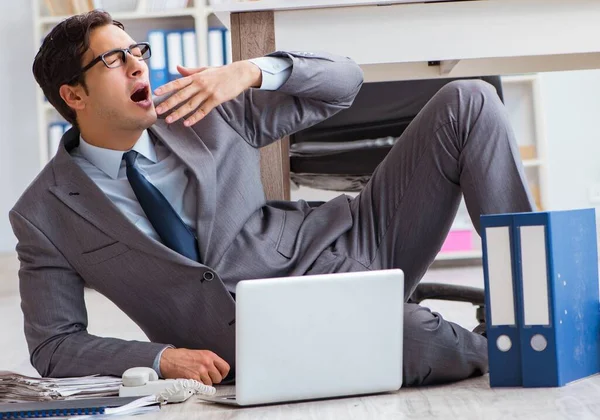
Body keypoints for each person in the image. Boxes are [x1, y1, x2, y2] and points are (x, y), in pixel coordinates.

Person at [10, 10, 534, 387]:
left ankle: (535, 305)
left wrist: (250, 70)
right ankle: (505, 347)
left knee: (470, 100)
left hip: (355, 237)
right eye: (112, 60)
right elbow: (55, 345)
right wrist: (162, 357)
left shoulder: (205, 108)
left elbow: (344, 83)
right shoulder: (44, 214)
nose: (138, 66)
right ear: (73, 96)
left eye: (136, 52)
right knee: (417, 340)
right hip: (274, 330)